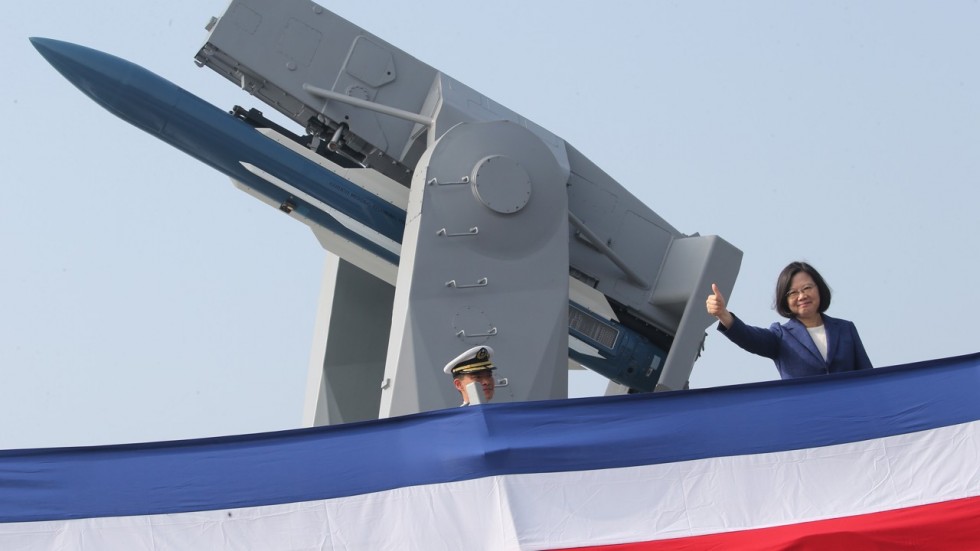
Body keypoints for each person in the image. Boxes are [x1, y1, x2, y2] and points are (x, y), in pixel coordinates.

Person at [706, 261, 873, 379]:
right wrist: (723, 314)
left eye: (807, 288)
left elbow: (869, 378)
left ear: (819, 289)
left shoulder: (845, 329)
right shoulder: (781, 336)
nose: (802, 296)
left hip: (850, 419)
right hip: (806, 421)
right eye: (793, 293)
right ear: (784, 300)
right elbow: (749, 337)